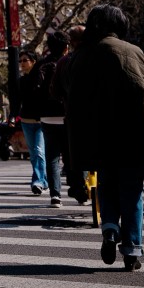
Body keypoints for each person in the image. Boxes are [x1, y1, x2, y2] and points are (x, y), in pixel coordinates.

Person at [68, 4, 144, 272]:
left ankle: (109, 228)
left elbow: (64, 88)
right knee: (132, 192)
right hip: (132, 133)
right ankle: (132, 250)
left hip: (96, 135)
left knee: (107, 185)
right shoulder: (133, 52)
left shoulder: (80, 56)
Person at [37, 30, 85, 207]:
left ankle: (55, 195)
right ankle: (78, 190)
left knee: (52, 157)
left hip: (47, 116)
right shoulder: (72, 61)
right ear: (67, 46)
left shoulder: (41, 65)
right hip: (69, 114)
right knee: (74, 154)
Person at [52, 25, 88, 203]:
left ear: (71, 43)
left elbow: (55, 91)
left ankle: (77, 185)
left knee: (73, 152)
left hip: (74, 115)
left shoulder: (64, 62)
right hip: (101, 114)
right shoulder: (98, 57)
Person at [9, 48, 48, 196]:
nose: (22, 63)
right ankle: (43, 181)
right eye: (20, 61)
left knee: (39, 151)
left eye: (25, 60)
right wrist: (12, 116)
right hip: (26, 120)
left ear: (33, 62)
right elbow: (16, 101)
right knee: (33, 153)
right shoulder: (21, 81)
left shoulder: (42, 77)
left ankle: (37, 181)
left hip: (41, 121)